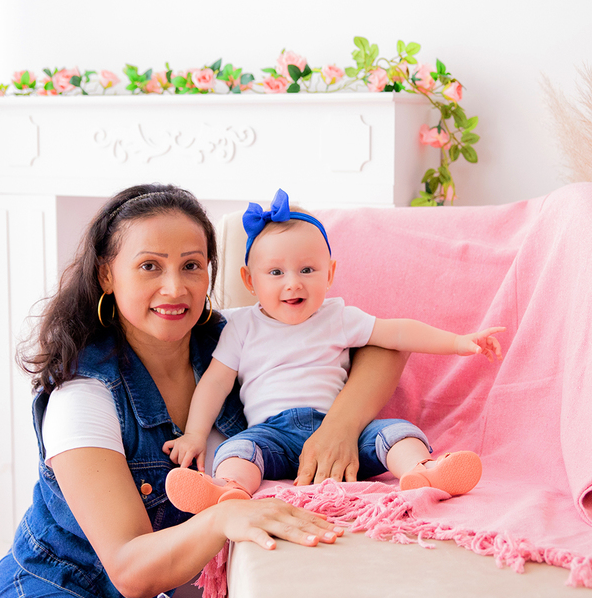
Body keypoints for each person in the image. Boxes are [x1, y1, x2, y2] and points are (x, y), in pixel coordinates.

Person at [0, 184, 411, 598]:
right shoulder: (84, 394)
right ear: (106, 274)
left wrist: (337, 429)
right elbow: (131, 569)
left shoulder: (231, 338)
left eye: (191, 265)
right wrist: (224, 516)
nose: (175, 287)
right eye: (149, 267)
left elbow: (384, 345)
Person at [162, 189, 503, 514]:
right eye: (276, 272)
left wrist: (459, 343)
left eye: (307, 270)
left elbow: (397, 331)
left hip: (340, 430)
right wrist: (194, 434)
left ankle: (423, 470)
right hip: (271, 433)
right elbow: (215, 384)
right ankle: (228, 488)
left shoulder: (337, 317)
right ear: (250, 281)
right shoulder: (241, 326)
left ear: (330, 274)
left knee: (395, 431)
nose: (293, 283)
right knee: (236, 450)